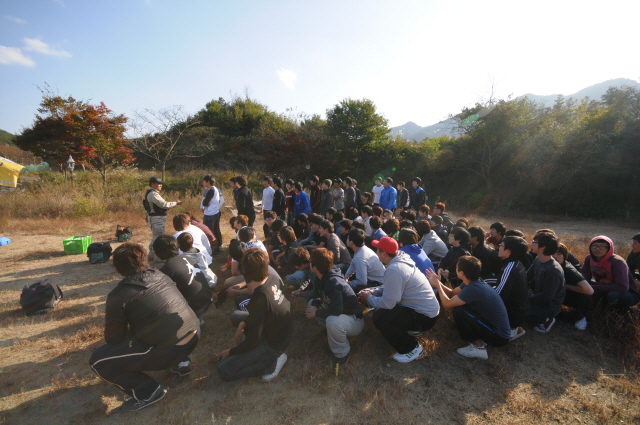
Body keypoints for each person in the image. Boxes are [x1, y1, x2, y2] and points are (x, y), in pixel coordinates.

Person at [89, 243, 199, 411]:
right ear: (144, 259)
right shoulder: (161, 275)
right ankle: (181, 362)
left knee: (98, 361)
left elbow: (114, 338)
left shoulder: (118, 295)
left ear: (117, 267)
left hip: (170, 349)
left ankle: (148, 392)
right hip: (194, 334)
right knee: (155, 325)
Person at [358, 237, 440, 363]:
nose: (376, 253)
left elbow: (388, 303)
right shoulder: (400, 259)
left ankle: (412, 348)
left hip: (424, 317)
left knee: (380, 317)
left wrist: (369, 298)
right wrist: (373, 291)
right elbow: (391, 287)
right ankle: (411, 329)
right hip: (427, 311)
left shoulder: (395, 269)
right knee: (386, 312)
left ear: (384, 254)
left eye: (377, 250)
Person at [216, 249, 293, 382]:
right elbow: (262, 313)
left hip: (273, 343)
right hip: (281, 328)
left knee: (224, 371)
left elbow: (253, 340)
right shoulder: (273, 278)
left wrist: (231, 352)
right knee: (236, 316)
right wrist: (243, 323)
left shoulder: (259, 298)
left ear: (246, 273)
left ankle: (271, 364)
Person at [427, 256, 511, 360]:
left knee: (460, 311)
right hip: (493, 328)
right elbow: (452, 294)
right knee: (461, 308)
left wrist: (438, 286)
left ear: (461, 273)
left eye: (456, 267)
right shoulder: (473, 282)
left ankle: (479, 348)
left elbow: (447, 304)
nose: (455, 268)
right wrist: (438, 282)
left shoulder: (473, 289)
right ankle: (480, 337)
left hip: (499, 337)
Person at [294, 248, 364, 365]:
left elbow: (337, 310)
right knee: (311, 303)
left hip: (354, 320)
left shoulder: (333, 282)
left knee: (332, 321)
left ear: (315, 267)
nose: (309, 263)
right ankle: (333, 332)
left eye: (311, 262)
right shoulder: (321, 275)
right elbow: (316, 294)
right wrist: (313, 305)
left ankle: (342, 353)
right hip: (341, 313)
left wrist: (316, 312)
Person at [153, 235, 213, 321]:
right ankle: (197, 318)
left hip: (195, 308)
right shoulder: (188, 258)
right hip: (207, 298)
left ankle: (193, 321)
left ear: (158, 252)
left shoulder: (167, 269)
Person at [582, 235, 639, 314]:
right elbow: (585, 276)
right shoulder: (589, 258)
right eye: (594, 246)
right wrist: (584, 286)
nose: (597, 249)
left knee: (613, 295)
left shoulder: (617, 262)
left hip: (626, 293)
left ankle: (624, 312)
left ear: (609, 248)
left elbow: (622, 287)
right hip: (603, 287)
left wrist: (591, 288)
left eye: (602, 246)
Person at [527, 233, 566, 333]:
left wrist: (526, 298)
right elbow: (527, 277)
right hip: (537, 299)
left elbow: (547, 296)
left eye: (534, 242)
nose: (531, 244)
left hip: (548, 307)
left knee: (516, 308)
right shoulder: (538, 259)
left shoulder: (553, 269)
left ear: (543, 247)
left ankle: (547, 319)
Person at [494, 236, 529, 340]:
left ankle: (510, 330)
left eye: (501, 245)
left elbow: (498, 295)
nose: (499, 247)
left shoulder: (509, 269)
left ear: (508, 251)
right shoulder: (518, 264)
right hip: (519, 310)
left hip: (512, 314)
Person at [553, 243, 594, 330]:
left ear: (565, 256)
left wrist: (564, 286)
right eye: (552, 253)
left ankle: (581, 318)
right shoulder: (547, 265)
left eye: (559, 254)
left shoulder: (569, 270)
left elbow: (589, 291)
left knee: (585, 298)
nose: (555, 256)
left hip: (574, 296)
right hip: (559, 293)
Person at [145, 176, 183, 261]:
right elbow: (164, 205)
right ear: (152, 184)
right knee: (159, 239)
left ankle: (151, 255)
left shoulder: (151, 193)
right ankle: (158, 258)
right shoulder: (153, 194)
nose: (160, 185)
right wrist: (176, 203)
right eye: (158, 184)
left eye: (161, 184)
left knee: (155, 237)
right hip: (157, 219)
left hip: (155, 218)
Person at [200, 175, 223, 255]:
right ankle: (217, 246)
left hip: (210, 215)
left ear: (208, 182)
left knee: (209, 233)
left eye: (204, 181)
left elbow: (204, 202)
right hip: (215, 212)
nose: (203, 182)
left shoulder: (211, 191)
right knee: (215, 231)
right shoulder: (216, 189)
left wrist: (206, 204)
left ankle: (214, 249)